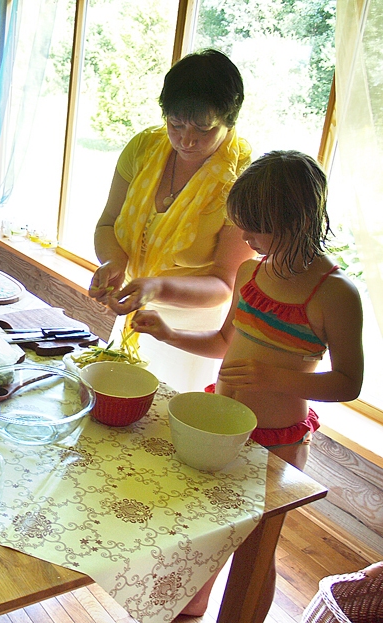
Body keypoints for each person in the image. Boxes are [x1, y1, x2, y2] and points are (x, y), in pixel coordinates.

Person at [131, 151, 364, 618]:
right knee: (206, 535)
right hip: (220, 430)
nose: (247, 239)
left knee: (255, 553)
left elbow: (347, 383)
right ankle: (189, 611)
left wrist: (274, 377)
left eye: (256, 229)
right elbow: (223, 342)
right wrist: (170, 333)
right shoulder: (250, 273)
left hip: (277, 441)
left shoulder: (335, 293)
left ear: (296, 221)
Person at [88, 49, 256, 393]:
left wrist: (157, 286)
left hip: (194, 334)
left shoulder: (242, 180)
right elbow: (107, 223)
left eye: (204, 128)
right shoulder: (144, 148)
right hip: (138, 313)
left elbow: (225, 284)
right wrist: (114, 264)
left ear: (230, 119)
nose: (186, 139)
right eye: (176, 124)